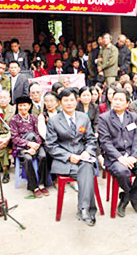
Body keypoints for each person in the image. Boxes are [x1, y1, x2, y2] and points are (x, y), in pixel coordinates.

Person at [45, 89, 98, 226]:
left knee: (86, 167)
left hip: (83, 157)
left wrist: (88, 151)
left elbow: (91, 140)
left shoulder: (83, 117)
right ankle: (87, 210)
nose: (69, 103)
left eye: (72, 100)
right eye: (65, 100)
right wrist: (69, 156)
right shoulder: (54, 121)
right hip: (64, 161)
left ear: (76, 101)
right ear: (60, 103)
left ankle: (83, 209)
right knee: (87, 172)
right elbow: (51, 146)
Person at [98, 88, 137, 217]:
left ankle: (130, 196)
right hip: (115, 157)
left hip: (133, 154)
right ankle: (129, 195)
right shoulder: (104, 118)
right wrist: (120, 157)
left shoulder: (132, 116)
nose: (117, 102)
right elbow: (105, 142)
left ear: (127, 103)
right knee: (122, 172)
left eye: (121, 100)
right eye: (115, 99)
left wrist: (134, 156)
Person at [10, 96, 49, 197]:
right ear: (17, 106)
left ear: (29, 106)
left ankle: (41, 183)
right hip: (22, 147)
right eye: (20, 105)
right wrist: (28, 144)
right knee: (27, 159)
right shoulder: (14, 120)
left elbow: (38, 134)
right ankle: (34, 186)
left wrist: (35, 146)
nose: (23, 108)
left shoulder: (33, 118)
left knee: (43, 156)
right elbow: (15, 138)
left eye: (25, 105)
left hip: (35, 144)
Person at [0, 90, 15, 183]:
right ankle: (5, 168)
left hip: (10, 135)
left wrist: (7, 138)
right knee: (1, 145)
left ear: (9, 99)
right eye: (0, 98)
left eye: (4, 98)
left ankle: (5, 170)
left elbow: (14, 127)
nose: (2, 100)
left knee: (2, 146)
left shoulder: (13, 110)